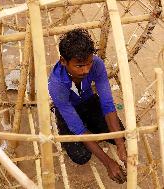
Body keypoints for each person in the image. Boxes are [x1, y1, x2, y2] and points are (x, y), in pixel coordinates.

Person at [48, 28, 127, 184]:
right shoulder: (56, 84)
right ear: (63, 61)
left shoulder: (97, 64)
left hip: (88, 101)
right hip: (68, 109)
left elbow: (107, 104)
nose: (86, 70)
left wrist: (120, 146)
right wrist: (108, 162)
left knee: (120, 135)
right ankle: (67, 126)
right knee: (81, 156)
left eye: (89, 63)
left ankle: (94, 130)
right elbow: (76, 127)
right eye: (79, 66)